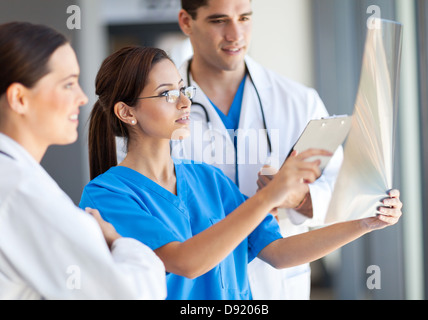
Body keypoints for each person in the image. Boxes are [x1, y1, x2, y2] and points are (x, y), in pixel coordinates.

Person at [79, 45, 403, 300]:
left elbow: (278, 251)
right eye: (167, 94)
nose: (183, 103)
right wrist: (269, 197)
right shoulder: (107, 195)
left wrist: (364, 223)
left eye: (183, 90)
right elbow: (185, 262)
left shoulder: (208, 179)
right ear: (126, 111)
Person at [175, 0, 343, 299]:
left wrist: (299, 198)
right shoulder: (158, 104)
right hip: (195, 286)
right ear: (187, 22)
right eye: (218, 20)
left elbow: (341, 191)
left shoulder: (299, 101)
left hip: (276, 283)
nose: (235, 34)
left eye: (244, 18)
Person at [0, 22, 166, 300]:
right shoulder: (20, 190)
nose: (83, 97)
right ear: (19, 98)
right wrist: (118, 242)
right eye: (67, 84)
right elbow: (133, 295)